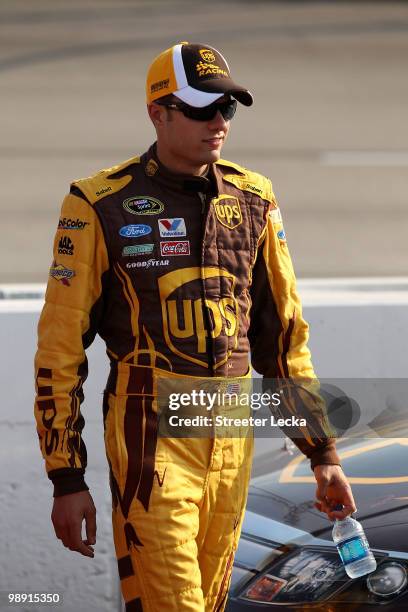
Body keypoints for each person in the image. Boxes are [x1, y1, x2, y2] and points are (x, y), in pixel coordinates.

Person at [34, 41, 356, 612]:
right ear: (158, 113)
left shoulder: (255, 199)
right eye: (202, 108)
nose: (218, 123)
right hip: (149, 433)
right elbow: (59, 347)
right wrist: (67, 477)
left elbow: (282, 339)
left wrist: (322, 453)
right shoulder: (97, 202)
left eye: (227, 109)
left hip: (231, 431)